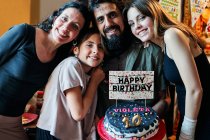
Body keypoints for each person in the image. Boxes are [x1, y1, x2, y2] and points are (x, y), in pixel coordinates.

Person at [0, 1, 91, 140]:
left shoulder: (60, 59)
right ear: (55, 18)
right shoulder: (24, 33)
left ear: (77, 36)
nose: (66, 27)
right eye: (64, 18)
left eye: (75, 26)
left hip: (12, 122)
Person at [125, 0, 210, 139]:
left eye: (141, 18)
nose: (137, 26)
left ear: (155, 14)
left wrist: (187, 132)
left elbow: (195, 90)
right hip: (193, 114)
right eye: (131, 23)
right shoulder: (162, 44)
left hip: (204, 116)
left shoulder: (171, 35)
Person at [89, 0, 170, 120]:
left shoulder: (152, 51)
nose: (108, 23)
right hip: (105, 133)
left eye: (112, 15)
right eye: (100, 19)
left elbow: (165, 99)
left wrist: (142, 123)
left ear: (123, 16)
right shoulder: (94, 59)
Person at [36, 27, 105, 140]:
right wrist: (94, 82)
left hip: (64, 134)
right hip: (52, 134)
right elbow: (78, 114)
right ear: (76, 50)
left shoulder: (88, 73)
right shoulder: (71, 65)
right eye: (89, 45)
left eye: (100, 46)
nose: (96, 50)